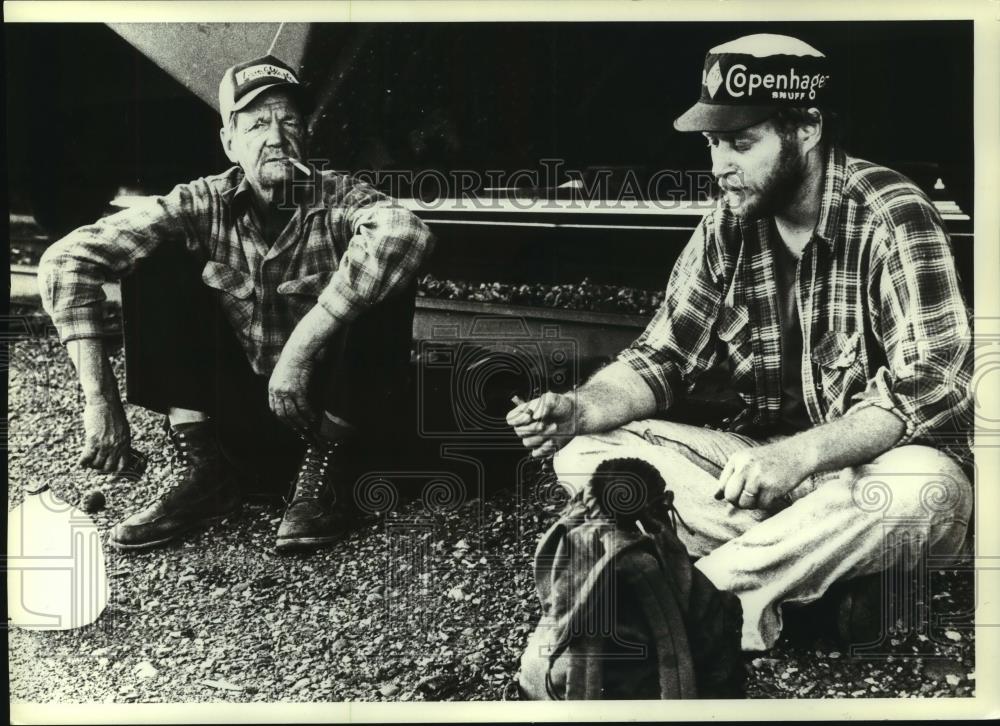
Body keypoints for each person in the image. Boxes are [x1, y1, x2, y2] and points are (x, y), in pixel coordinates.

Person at [507, 34, 974, 651]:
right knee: (587, 451)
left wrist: (798, 458)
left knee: (926, 489)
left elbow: (937, 383)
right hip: (758, 484)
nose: (719, 164)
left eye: (741, 142)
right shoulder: (729, 219)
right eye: (712, 143)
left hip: (863, 477)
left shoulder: (891, 212)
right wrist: (578, 408)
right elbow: (660, 357)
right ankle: (795, 591)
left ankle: (684, 604)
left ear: (805, 127)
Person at [39, 54, 434, 553]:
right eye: (256, 124)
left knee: (383, 271)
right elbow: (65, 260)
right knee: (154, 253)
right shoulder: (203, 200)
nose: (276, 136)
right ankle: (207, 470)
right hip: (239, 422)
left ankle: (323, 481)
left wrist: (298, 353)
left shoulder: (339, 197)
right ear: (229, 143)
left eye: (289, 121)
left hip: (325, 415)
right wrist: (101, 401)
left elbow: (406, 232)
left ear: (306, 137)